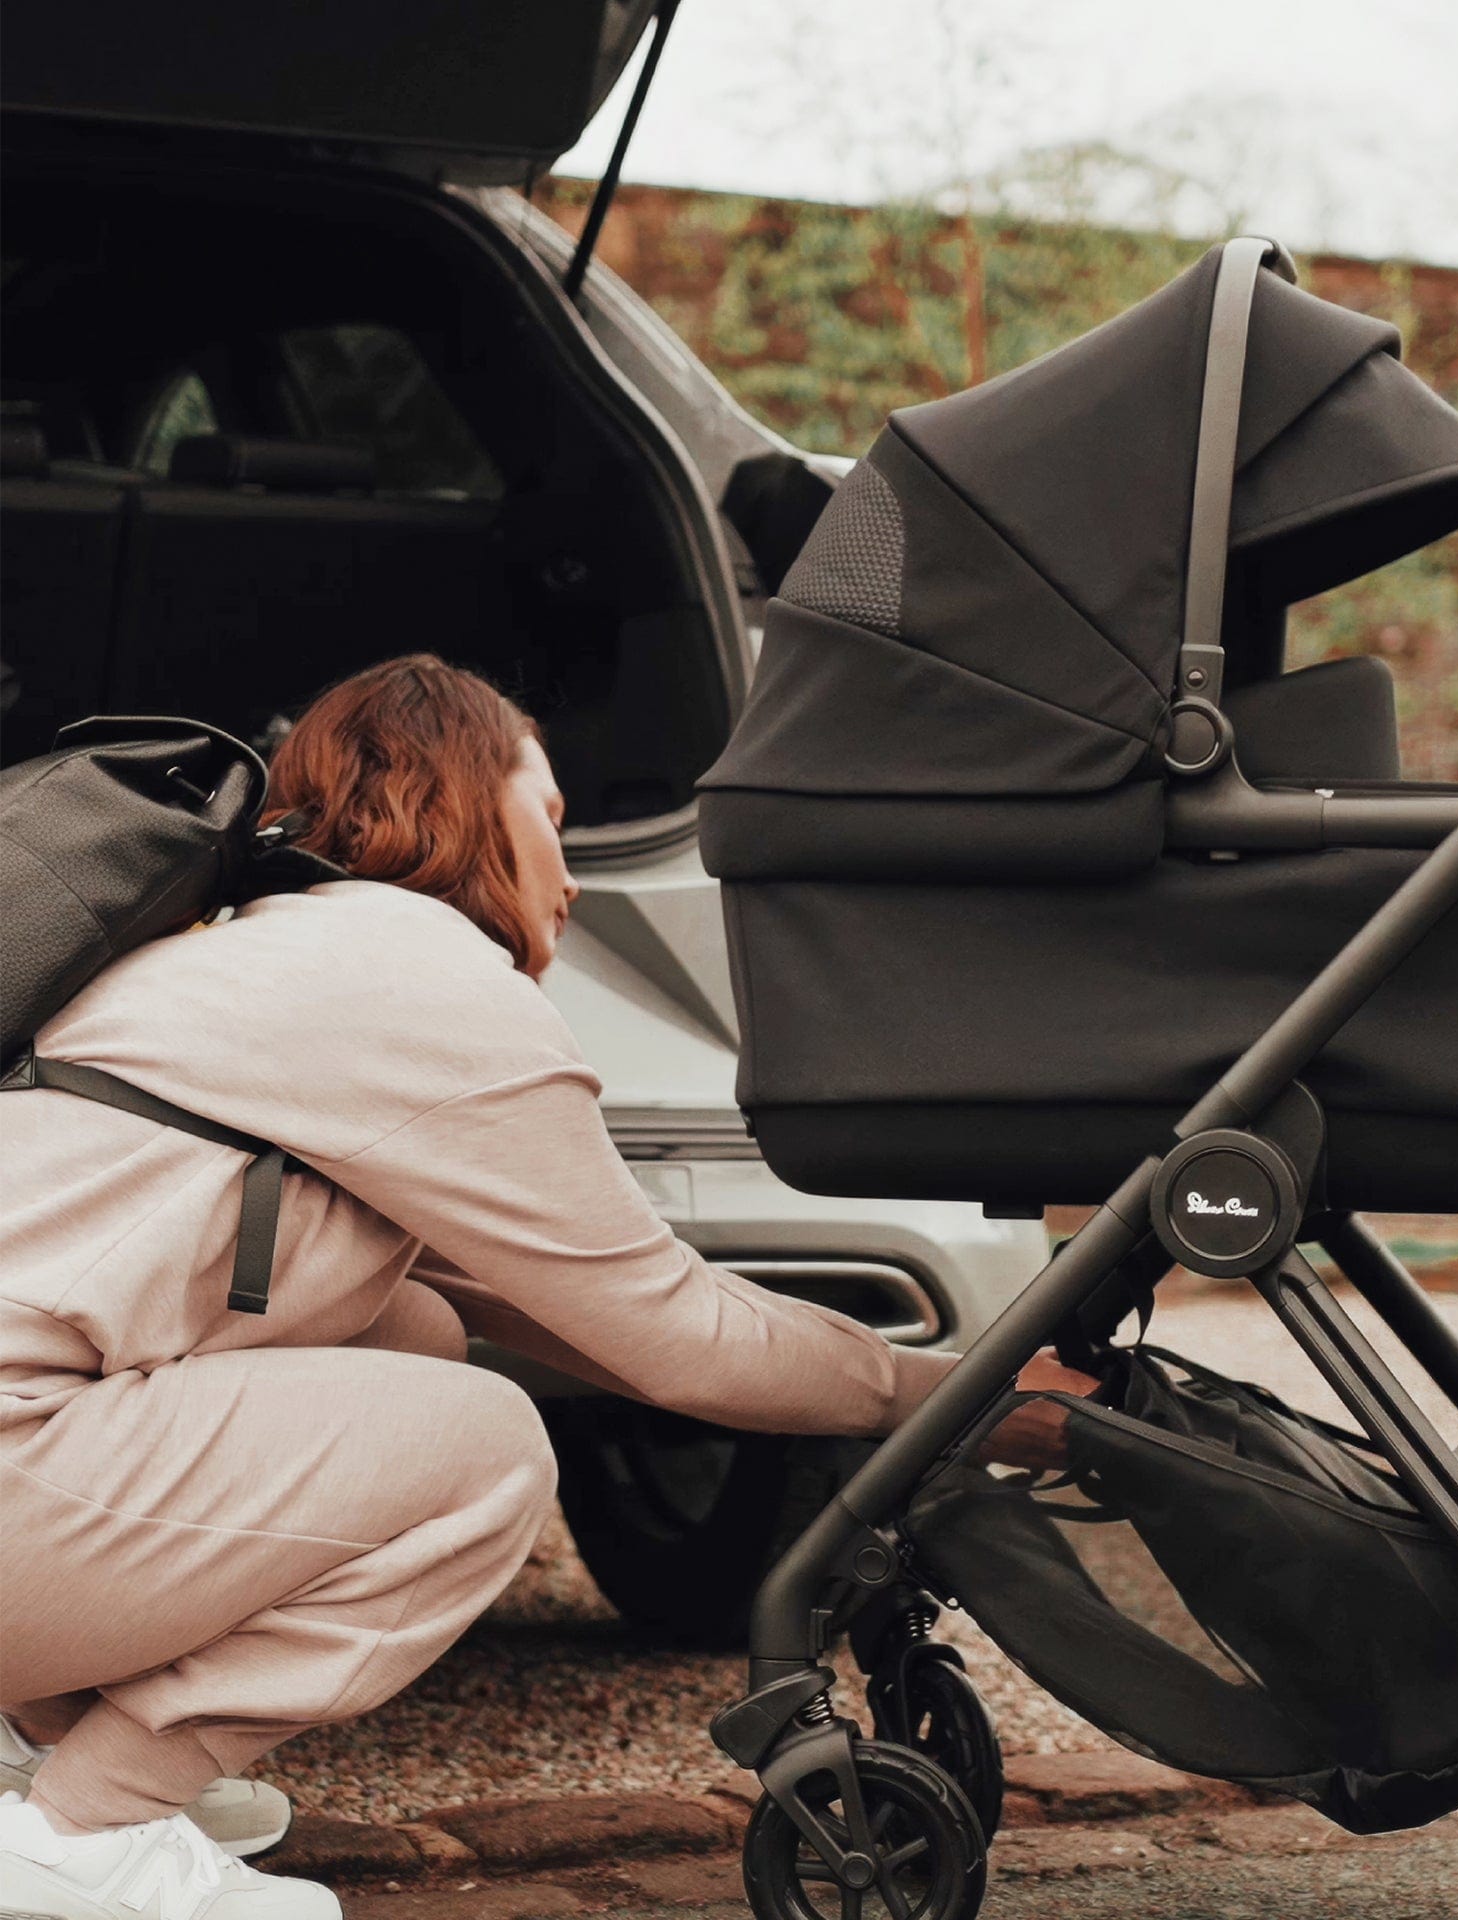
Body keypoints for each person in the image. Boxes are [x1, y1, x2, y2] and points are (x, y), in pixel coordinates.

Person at [0, 656, 1092, 1920]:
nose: (567, 881)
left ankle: (46, 1755)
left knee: (417, 1332)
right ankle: (82, 1837)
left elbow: (581, 1316)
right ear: (463, 796)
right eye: (553, 821)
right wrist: (965, 1395)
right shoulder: (424, 978)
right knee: (488, 1451)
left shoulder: (240, 955)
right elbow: (687, 1341)